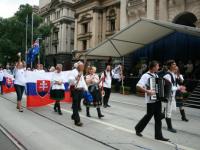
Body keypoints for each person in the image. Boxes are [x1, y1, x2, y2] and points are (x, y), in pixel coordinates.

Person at [135, 61, 169, 141]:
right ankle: (138, 129)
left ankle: (158, 135)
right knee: (148, 116)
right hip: (150, 100)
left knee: (158, 117)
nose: (158, 68)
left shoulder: (156, 75)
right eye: (157, 66)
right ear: (153, 67)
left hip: (157, 100)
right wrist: (148, 91)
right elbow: (138, 86)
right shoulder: (145, 76)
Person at [163, 60, 185, 133]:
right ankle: (169, 127)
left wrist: (180, 87)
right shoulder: (167, 76)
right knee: (168, 112)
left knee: (168, 111)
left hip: (172, 96)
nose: (175, 65)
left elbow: (175, 84)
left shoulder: (173, 74)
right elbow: (170, 88)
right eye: (173, 64)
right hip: (168, 96)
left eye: (175, 64)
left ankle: (158, 118)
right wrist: (179, 88)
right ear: (169, 66)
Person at [69, 61, 88, 126]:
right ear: (78, 66)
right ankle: (77, 121)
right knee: (75, 105)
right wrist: (77, 77)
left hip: (80, 90)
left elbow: (83, 81)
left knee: (77, 105)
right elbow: (70, 81)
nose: (83, 67)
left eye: (83, 66)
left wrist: (86, 89)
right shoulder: (73, 72)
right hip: (75, 90)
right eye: (81, 66)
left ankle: (74, 115)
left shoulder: (81, 72)